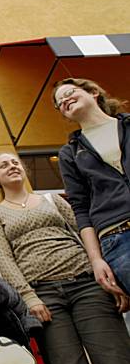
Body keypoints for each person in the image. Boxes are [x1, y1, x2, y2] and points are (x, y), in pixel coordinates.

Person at [0, 152, 130, 364]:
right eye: (4, 166)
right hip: (44, 297)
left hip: (87, 286)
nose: (12, 166)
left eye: (15, 162)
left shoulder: (52, 200)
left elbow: (84, 231)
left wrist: (107, 275)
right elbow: (5, 260)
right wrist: (28, 297)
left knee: (117, 363)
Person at [53, 78, 130, 302]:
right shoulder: (70, 154)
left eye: (69, 92)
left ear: (93, 92)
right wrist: (96, 260)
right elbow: (81, 208)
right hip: (117, 238)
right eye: (60, 102)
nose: (65, 100)